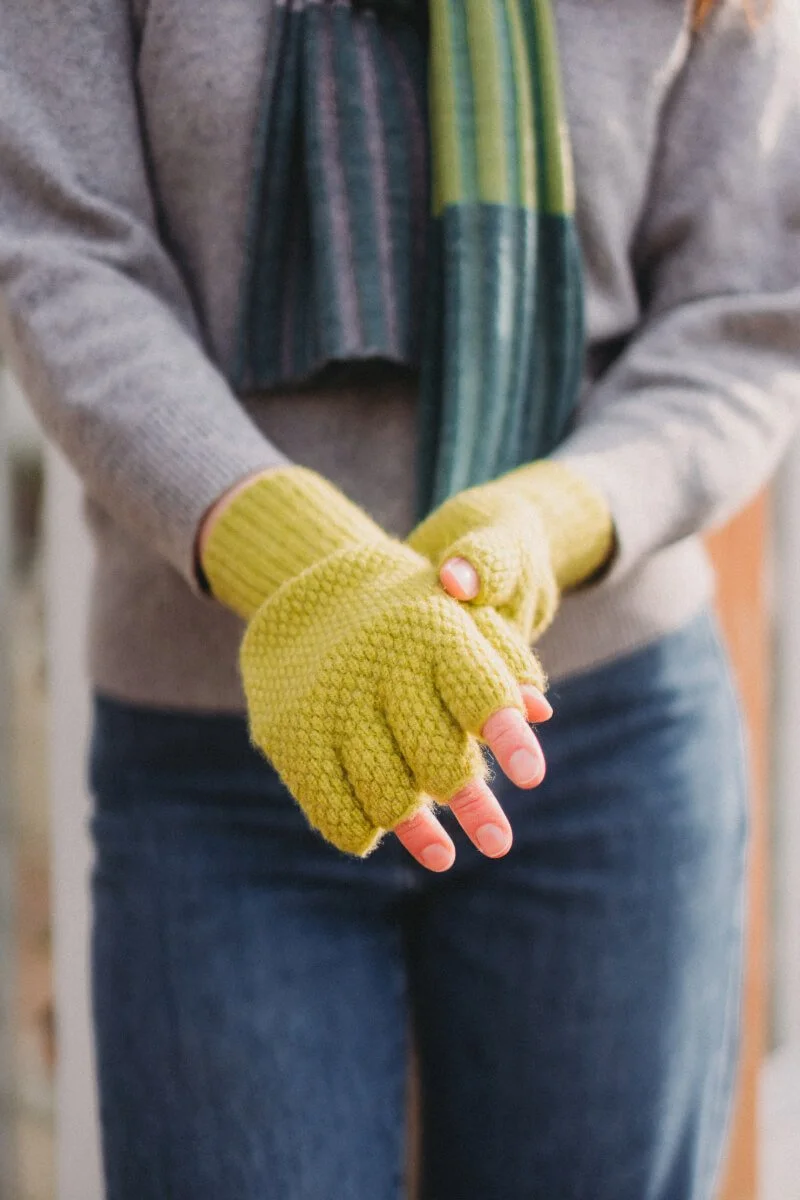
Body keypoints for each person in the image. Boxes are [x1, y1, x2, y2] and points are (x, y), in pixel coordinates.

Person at [1, 0, 798, 1196]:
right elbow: (61, 253)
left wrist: (546, 519)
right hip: (220, 757)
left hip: (595, 736)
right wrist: (302, 560)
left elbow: (741, 319)